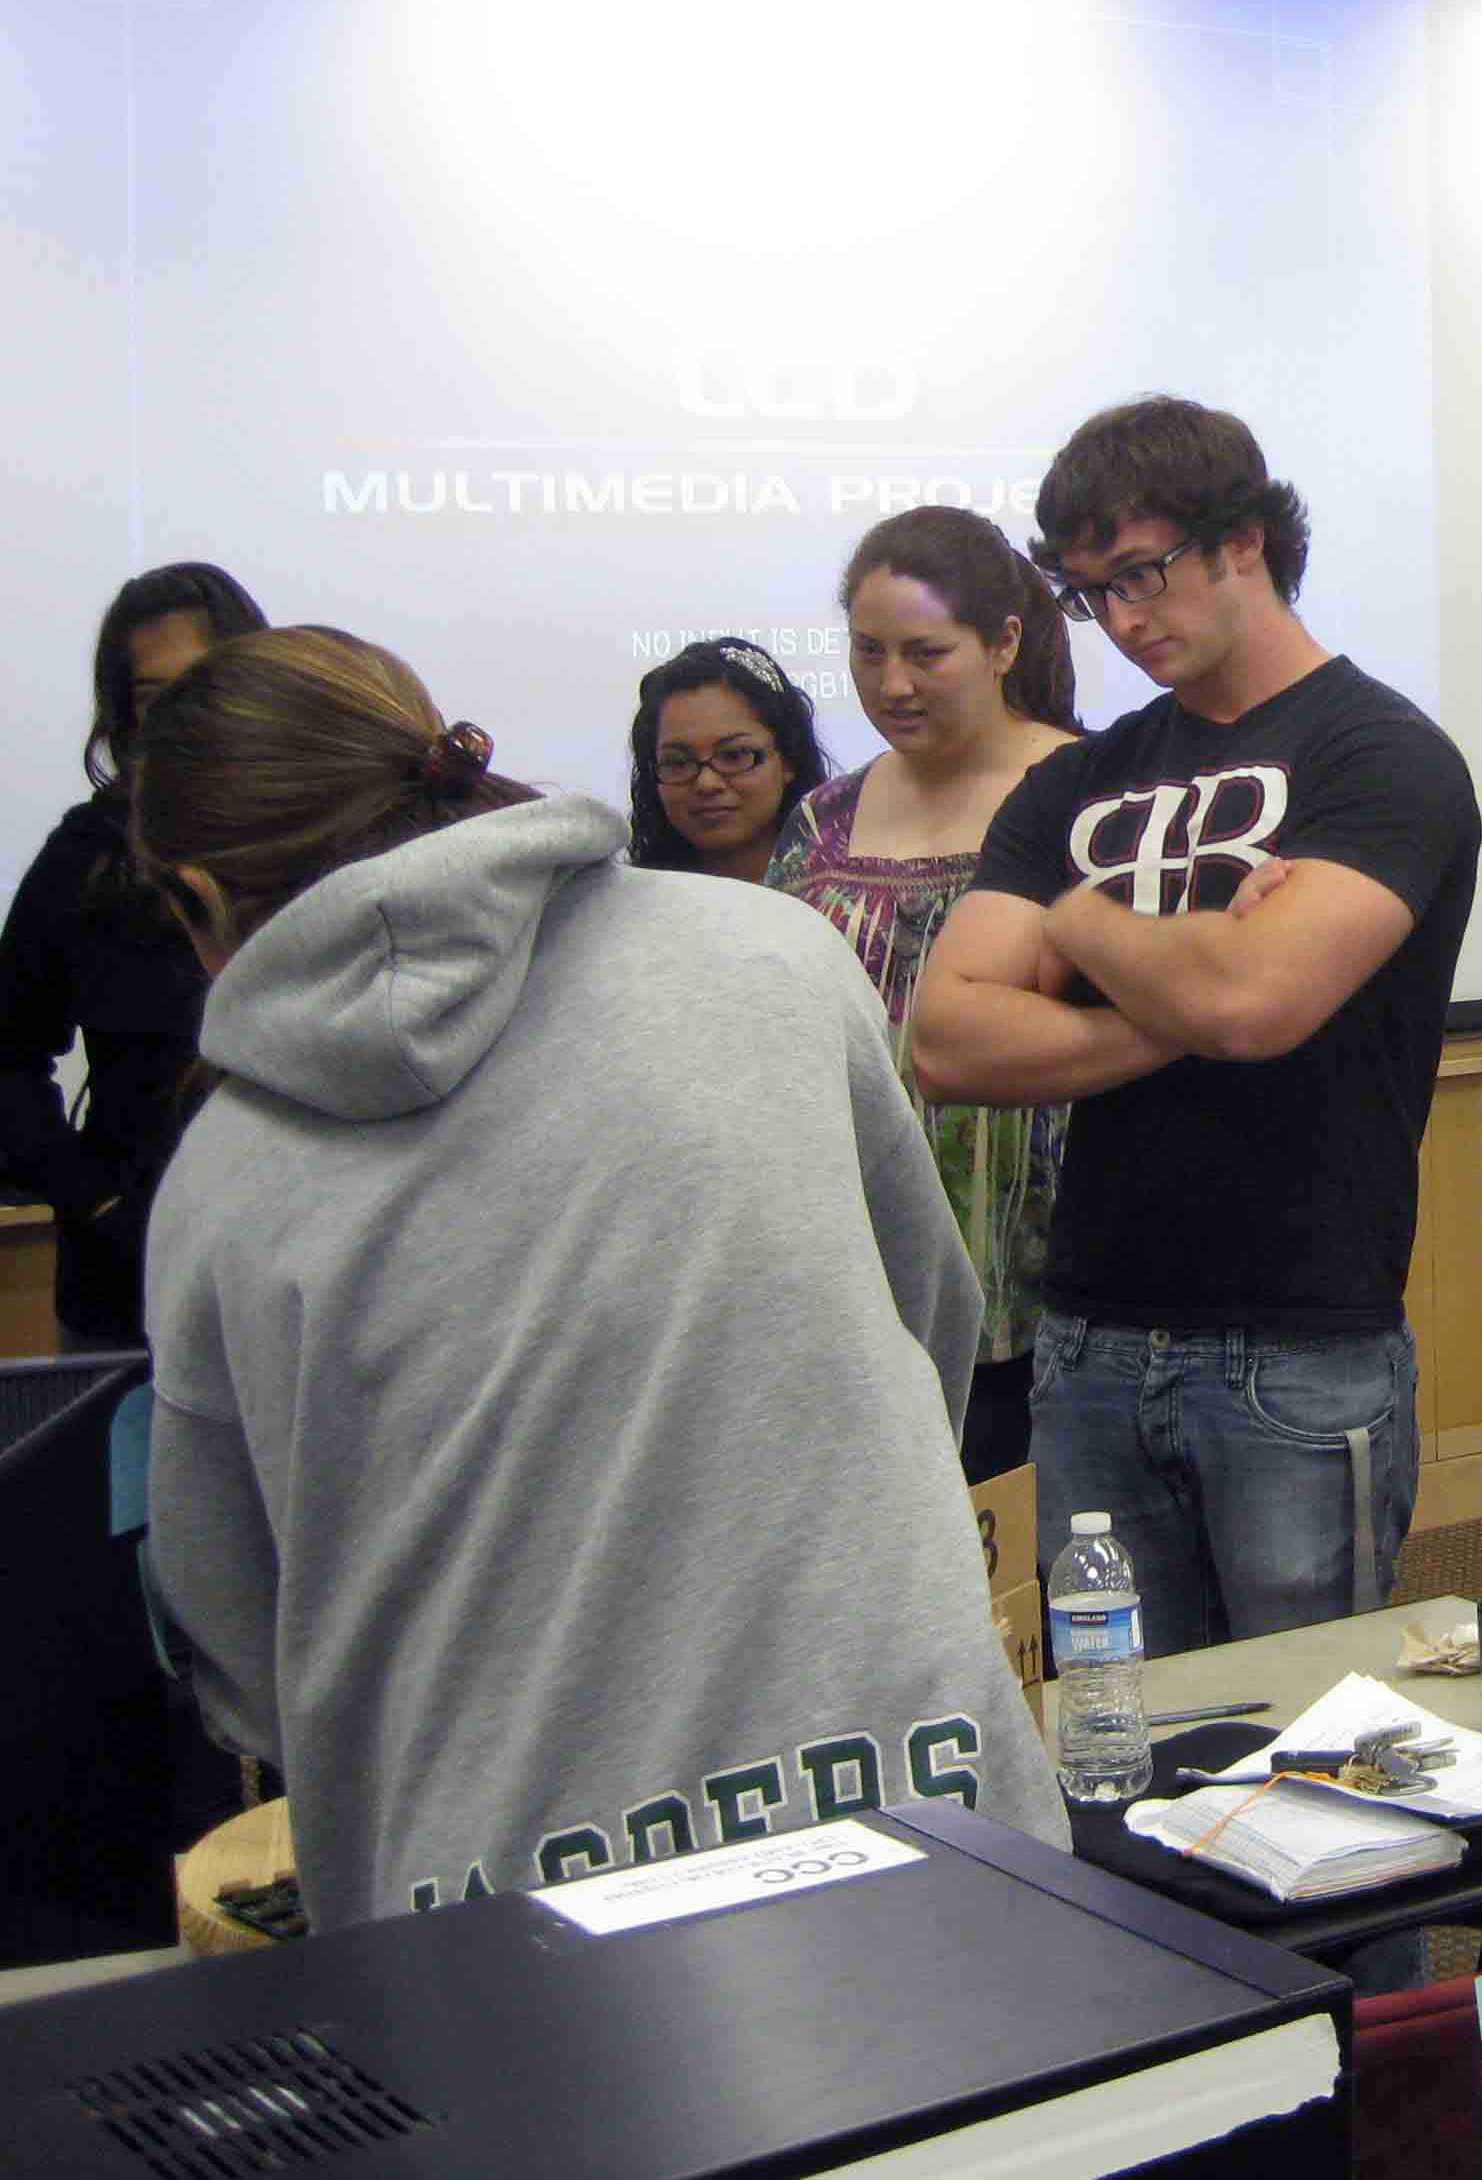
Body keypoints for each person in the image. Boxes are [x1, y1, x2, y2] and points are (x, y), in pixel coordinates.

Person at [136, 627, 1062, 1929]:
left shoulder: (227, 1177)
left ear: (198, 893)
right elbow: (925, 1318)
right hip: (928, 1816)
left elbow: (238, 1633)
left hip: (487, 1919)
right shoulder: (778, 957)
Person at [914, 395, 1480, 1656]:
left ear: (1243, 540)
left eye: (1140, 574)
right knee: (1114, 1733)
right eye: (1088, 594)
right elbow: (948, 1039)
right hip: (1087, 1340)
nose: (1121, 620)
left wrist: (1080, 923)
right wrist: (1198, 989)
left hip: (1297, 1342)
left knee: (1308, 1731)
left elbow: (1253, 1000)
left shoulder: (1381, 756)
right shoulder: (1079, 778)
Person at [769, 511, 1082, 1484]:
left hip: (1057, 1278)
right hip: (857, 1266)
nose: (892, 684)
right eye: (869, 652)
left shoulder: (1090, 794)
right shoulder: (822, 820)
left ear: (1004, 644)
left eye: (925, 653)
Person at [0, 562, 265, 1341]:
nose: (183, 715)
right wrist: (91, 1195)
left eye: (203, 682)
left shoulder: (324, 831)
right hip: (128, 1285)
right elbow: (5, 1049)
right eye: (154, 697)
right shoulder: (89, 852)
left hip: (299, 1268)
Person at [625, 634, 829, 883]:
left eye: (734, 756)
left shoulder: (852, 895)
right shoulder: (626, 901)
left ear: (788, 758)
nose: (706, 783)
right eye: (678, 763)